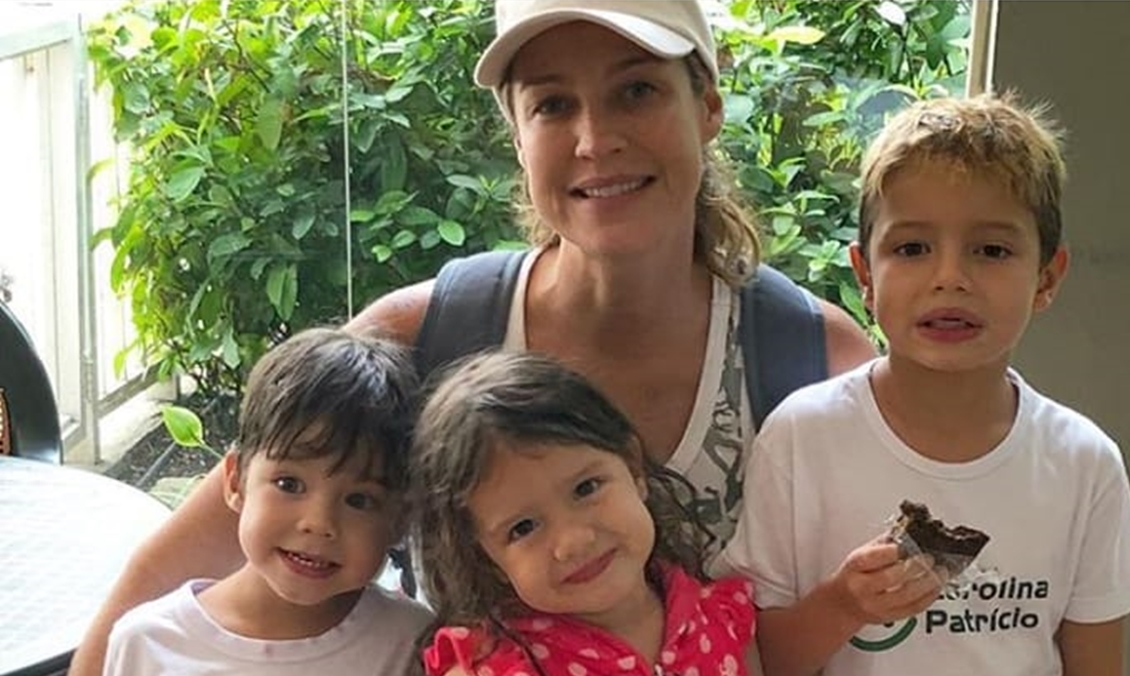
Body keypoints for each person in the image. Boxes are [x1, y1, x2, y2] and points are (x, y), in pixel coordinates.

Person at [68, 2, 875, 674]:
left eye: (636, 91)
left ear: (707, 106)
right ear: (516, 136)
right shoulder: (423, 339)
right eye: (552, 105)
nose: (595, 138)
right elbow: (188, 570)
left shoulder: (813, 362)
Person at [720, 93, 1130, 676]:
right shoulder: (802, 438)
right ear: (865, 274)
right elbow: (753, 659)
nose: (950, 278)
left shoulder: (1083, 463)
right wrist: (844, 604)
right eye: (912, 248)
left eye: (992, 250)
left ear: (1047, 278)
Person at [102, 328, 431, 675]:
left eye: (359, 500)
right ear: (235, 481)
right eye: (290, 484)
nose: (319, 523)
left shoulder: (414, 644)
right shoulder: (149, 644)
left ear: (401, 519)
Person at [413, 351, 756, 676]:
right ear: (486, 559)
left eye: (586, 488)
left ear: (634, 468)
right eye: (523, 527)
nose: (573, 542)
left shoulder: (721, 618)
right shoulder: (492, 667)